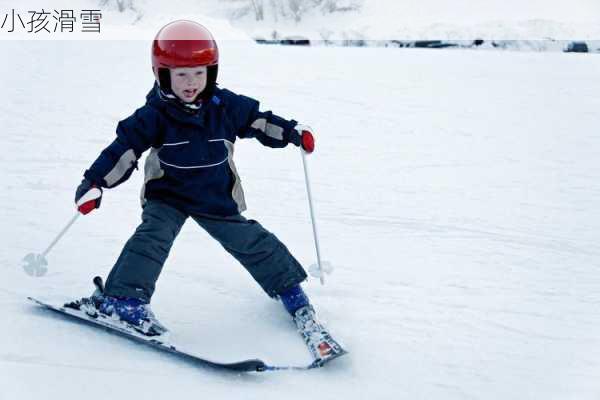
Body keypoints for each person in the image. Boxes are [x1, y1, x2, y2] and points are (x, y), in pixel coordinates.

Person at [72, 20, 343, 363]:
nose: (191, 83)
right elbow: (123, 151)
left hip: (215, 195)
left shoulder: (225, 105)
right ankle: (122, 300)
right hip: (168, 193)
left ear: (211, 73)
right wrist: (95, 184)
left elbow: (259, 121)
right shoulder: (152, 115)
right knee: (152, 238)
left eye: (198, 74)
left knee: (252, 241)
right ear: (161, 74)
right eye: (181, 75)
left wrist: (292, 133)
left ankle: (291, 292)